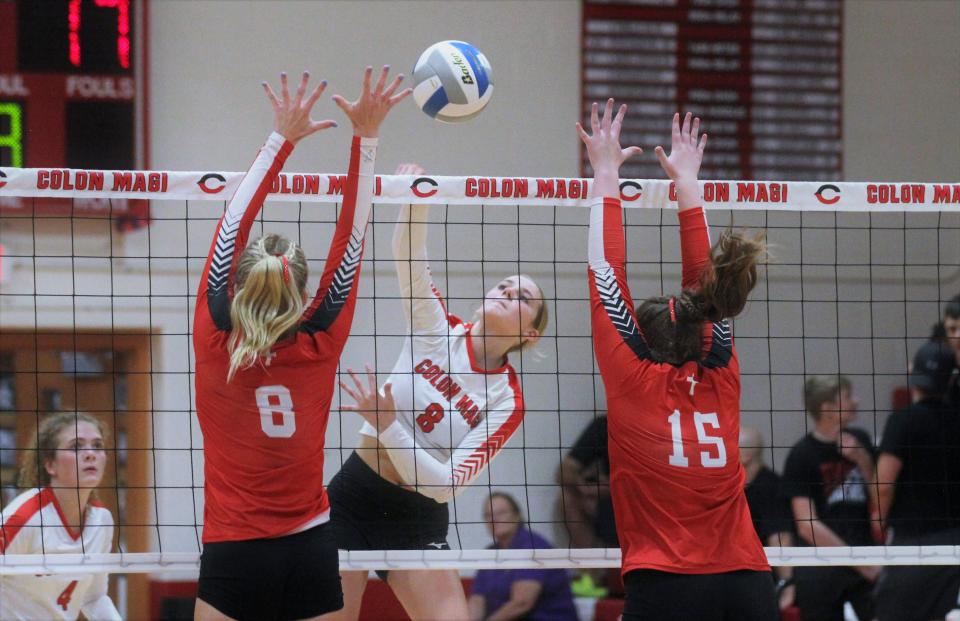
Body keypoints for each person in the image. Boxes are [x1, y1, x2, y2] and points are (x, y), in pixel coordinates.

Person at [192, 67, 410, 621]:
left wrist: (279, 140)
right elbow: (352, 234)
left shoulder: (216, 338)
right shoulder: (319, 340)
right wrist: (367, 138)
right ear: (304, 287)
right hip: (311, 548)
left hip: (233, 551)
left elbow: (231, 220)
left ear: (238, 283)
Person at [578, 100, 776, 620]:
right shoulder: (720, 374)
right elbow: (687, 281)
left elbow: (605, 272)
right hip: (746, 582)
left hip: (666, 583)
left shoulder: (636, 382)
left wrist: (605, 171)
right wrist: (686, 181)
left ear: (642, 338)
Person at [328, 162, 549, 621]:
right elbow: (409, 261)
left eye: (524, 298)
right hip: (353, 496)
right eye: (505, 284)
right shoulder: (436, 329)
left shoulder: (506, 400)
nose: (508, 290)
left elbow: (446, 486)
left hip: (415, 516)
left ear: (530, 335)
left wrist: (388, 426)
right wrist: (417, 199)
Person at [0, 411, 121, 620]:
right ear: (50, 465)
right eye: (76, 446)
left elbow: (94, 597)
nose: (90, 453)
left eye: (98, 446)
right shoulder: (25, 516)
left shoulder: (102, 520)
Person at [874, 340, 960, 621]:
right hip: (954, 543)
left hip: (915, 544)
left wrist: (878, 522)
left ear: (912, 373)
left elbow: (883, 485)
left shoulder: (903, 420)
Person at [781, 375, 878, 621]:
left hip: (864, 556)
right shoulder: (801, 455)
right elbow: (807, 526)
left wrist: (862, 459)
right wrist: (859, 563)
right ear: (828, 409)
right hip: (821, 566)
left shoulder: (860, 440)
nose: (856, 401)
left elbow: (881, 496)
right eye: (848, 396)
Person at [468, 492, 579, 621]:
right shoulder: (490, 553)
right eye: (488, 515)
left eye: (501, 513)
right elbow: (477, 600)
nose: (494, 519)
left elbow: (521, 603)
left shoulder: (533, 546)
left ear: (517, 515)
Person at [739, 425, 796, 611]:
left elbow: (779, 536)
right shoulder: (736, 487)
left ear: (745, 456)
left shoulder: (769, 487)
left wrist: (787, 583)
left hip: (760, 579)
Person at [558, 414, 618, 550]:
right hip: (613, 503)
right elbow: (564, 471)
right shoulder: (606, 425)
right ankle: (593, 569)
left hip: (647, 499)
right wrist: (585, 487)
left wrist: (614, 486)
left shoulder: (659, 425)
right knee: (567, 498)